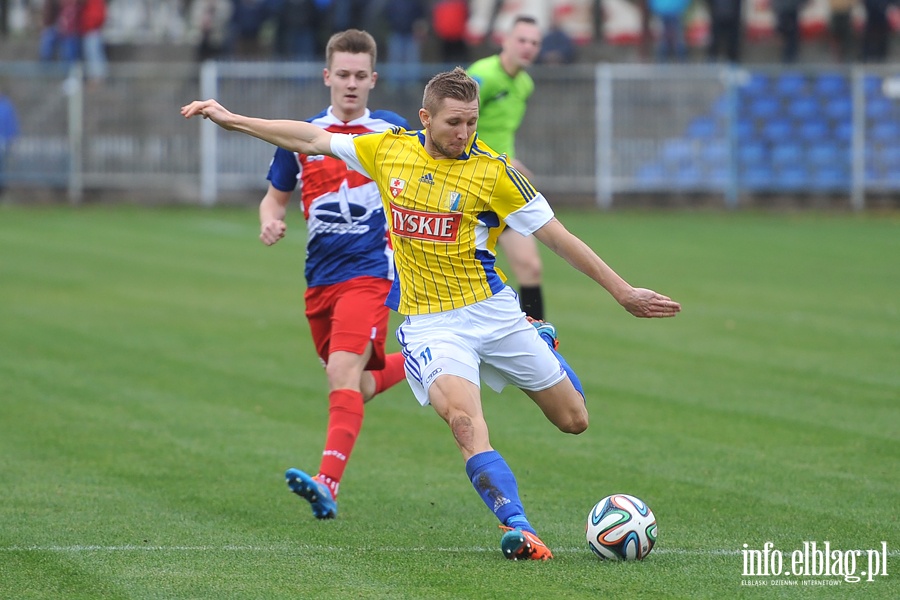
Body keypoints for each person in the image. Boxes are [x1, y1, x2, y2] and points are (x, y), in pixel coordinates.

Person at [181, 67, 681, 560]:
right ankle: (519, 527)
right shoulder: (388, 150)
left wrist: (623, 292)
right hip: (430, 325)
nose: (464, 134)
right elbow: (311, 137)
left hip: (495, 314)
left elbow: (559, 238)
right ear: (425, 118)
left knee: (574, 421)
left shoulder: (494, 172)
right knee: (463, 421)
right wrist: (232, 119)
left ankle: (541, 339)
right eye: (453, 124)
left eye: (472, 123)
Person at [259, 29, 410, 519]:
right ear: (327, 76)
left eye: (359, 76)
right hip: (319, 279)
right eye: (342, 75)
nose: (350, 84)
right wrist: (270, 218)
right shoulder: (300, 135)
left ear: (373, 79)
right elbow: (274, 196)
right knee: (355, 384)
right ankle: (419, 359)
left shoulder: (392, 131)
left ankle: (327, 483)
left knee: (343, 371)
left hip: (370, 274)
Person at [467, 16, 547, 320]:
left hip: (502, 185)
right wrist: (503, 159)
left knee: (531, 266)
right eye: (522, 40)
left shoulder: (524, 84)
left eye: (535, 43)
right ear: (506, 41)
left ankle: (538, 336)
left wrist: (512, 161)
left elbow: (501, 132)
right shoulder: (482, 76)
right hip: (472, 182)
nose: (528, 47)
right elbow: (457, 127)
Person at [0, 85, 20, 195]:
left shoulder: (7, 106)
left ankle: (2, 189)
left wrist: (12, 138)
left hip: (4, 141)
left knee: (2, 166)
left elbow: (12, 124)